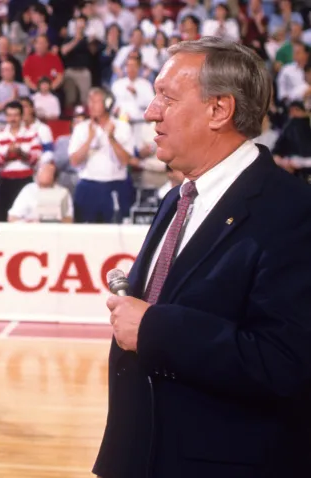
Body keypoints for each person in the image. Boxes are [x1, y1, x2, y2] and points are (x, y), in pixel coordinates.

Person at [95, 37, 311, 478]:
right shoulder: (177, 197)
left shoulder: (293, 211)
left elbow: (285, 363)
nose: (150, 111)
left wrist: (154, 328)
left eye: (167, 98)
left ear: (220, 110)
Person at [68, 87, 135, 223]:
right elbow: (74, 161)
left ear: (107, 104)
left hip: (115, 185)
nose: (91, 105)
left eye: (96, 101)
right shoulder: (81, 128)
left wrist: (111, 138)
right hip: (88, 186)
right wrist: (89, 139)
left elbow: (126, 161)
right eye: (90, 101)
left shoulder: (122, 127)